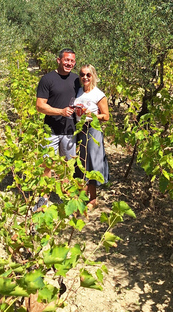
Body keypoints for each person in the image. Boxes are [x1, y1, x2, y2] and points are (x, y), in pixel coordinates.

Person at [33, 48, 81, 212]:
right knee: (48, 165)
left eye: (72, 61)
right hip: (51, 130)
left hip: (70, 131)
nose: (70, 63)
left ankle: (64, 196)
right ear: (59, 60)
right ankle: (43, 198)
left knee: (68, 166)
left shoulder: (76, 79)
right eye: (67, 60)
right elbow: (40, 106)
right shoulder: (47, 79)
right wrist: (60, 111)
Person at [73, 64, 109, 211]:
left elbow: (106, 116)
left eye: (88, 75)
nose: (85, 77)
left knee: (92, 163)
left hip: (93, 130)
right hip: (80, 130)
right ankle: (83, 196)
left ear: (93, 75)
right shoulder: (78, 91)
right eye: (82, 75)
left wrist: (91, 115)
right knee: (81, 163)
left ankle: (93, 199)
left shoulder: (98, 94)